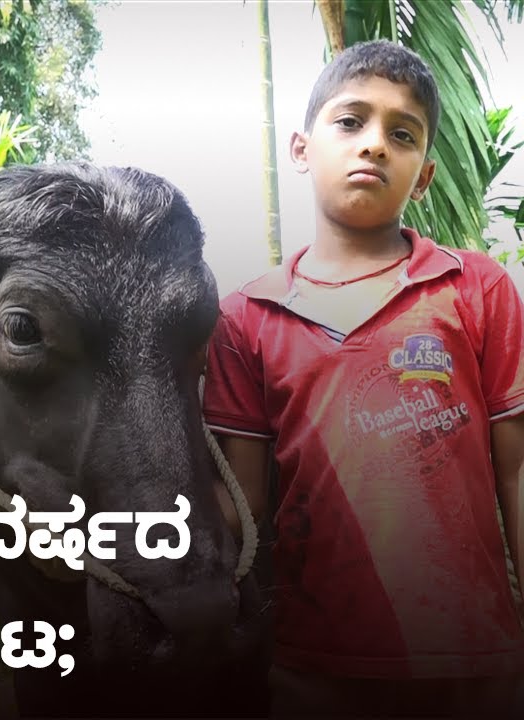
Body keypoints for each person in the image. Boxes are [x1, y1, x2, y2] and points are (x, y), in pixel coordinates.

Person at [204, 40, 524, 716]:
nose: (374, 144)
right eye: (350, 122)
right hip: (315, 666)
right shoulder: (245, 317)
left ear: (425, 175)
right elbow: (243, 501)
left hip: (475, 658)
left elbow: (518, 470)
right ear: (300, 148)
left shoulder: (474, 288)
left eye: (401, 133)